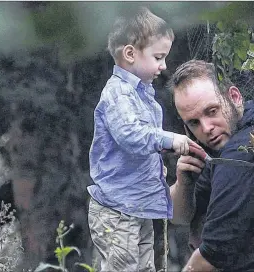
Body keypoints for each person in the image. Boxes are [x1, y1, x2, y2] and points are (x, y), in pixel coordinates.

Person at [87, 7, 197, 272]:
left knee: (146, 267)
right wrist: (169, 139)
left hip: (139, 206)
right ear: (130, 54)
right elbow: (131, 135)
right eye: (158, 57)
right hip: (117, 210)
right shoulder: (118, 94)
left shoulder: (142, 93)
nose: (164, 66)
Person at [168, 60, 254, 272]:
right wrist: (185, 183)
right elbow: (177, 216)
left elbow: (213, 253)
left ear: (235, 98)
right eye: (194, 123)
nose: (206, 128)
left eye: (212, 111)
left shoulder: (242, 149)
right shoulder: (216, 150)